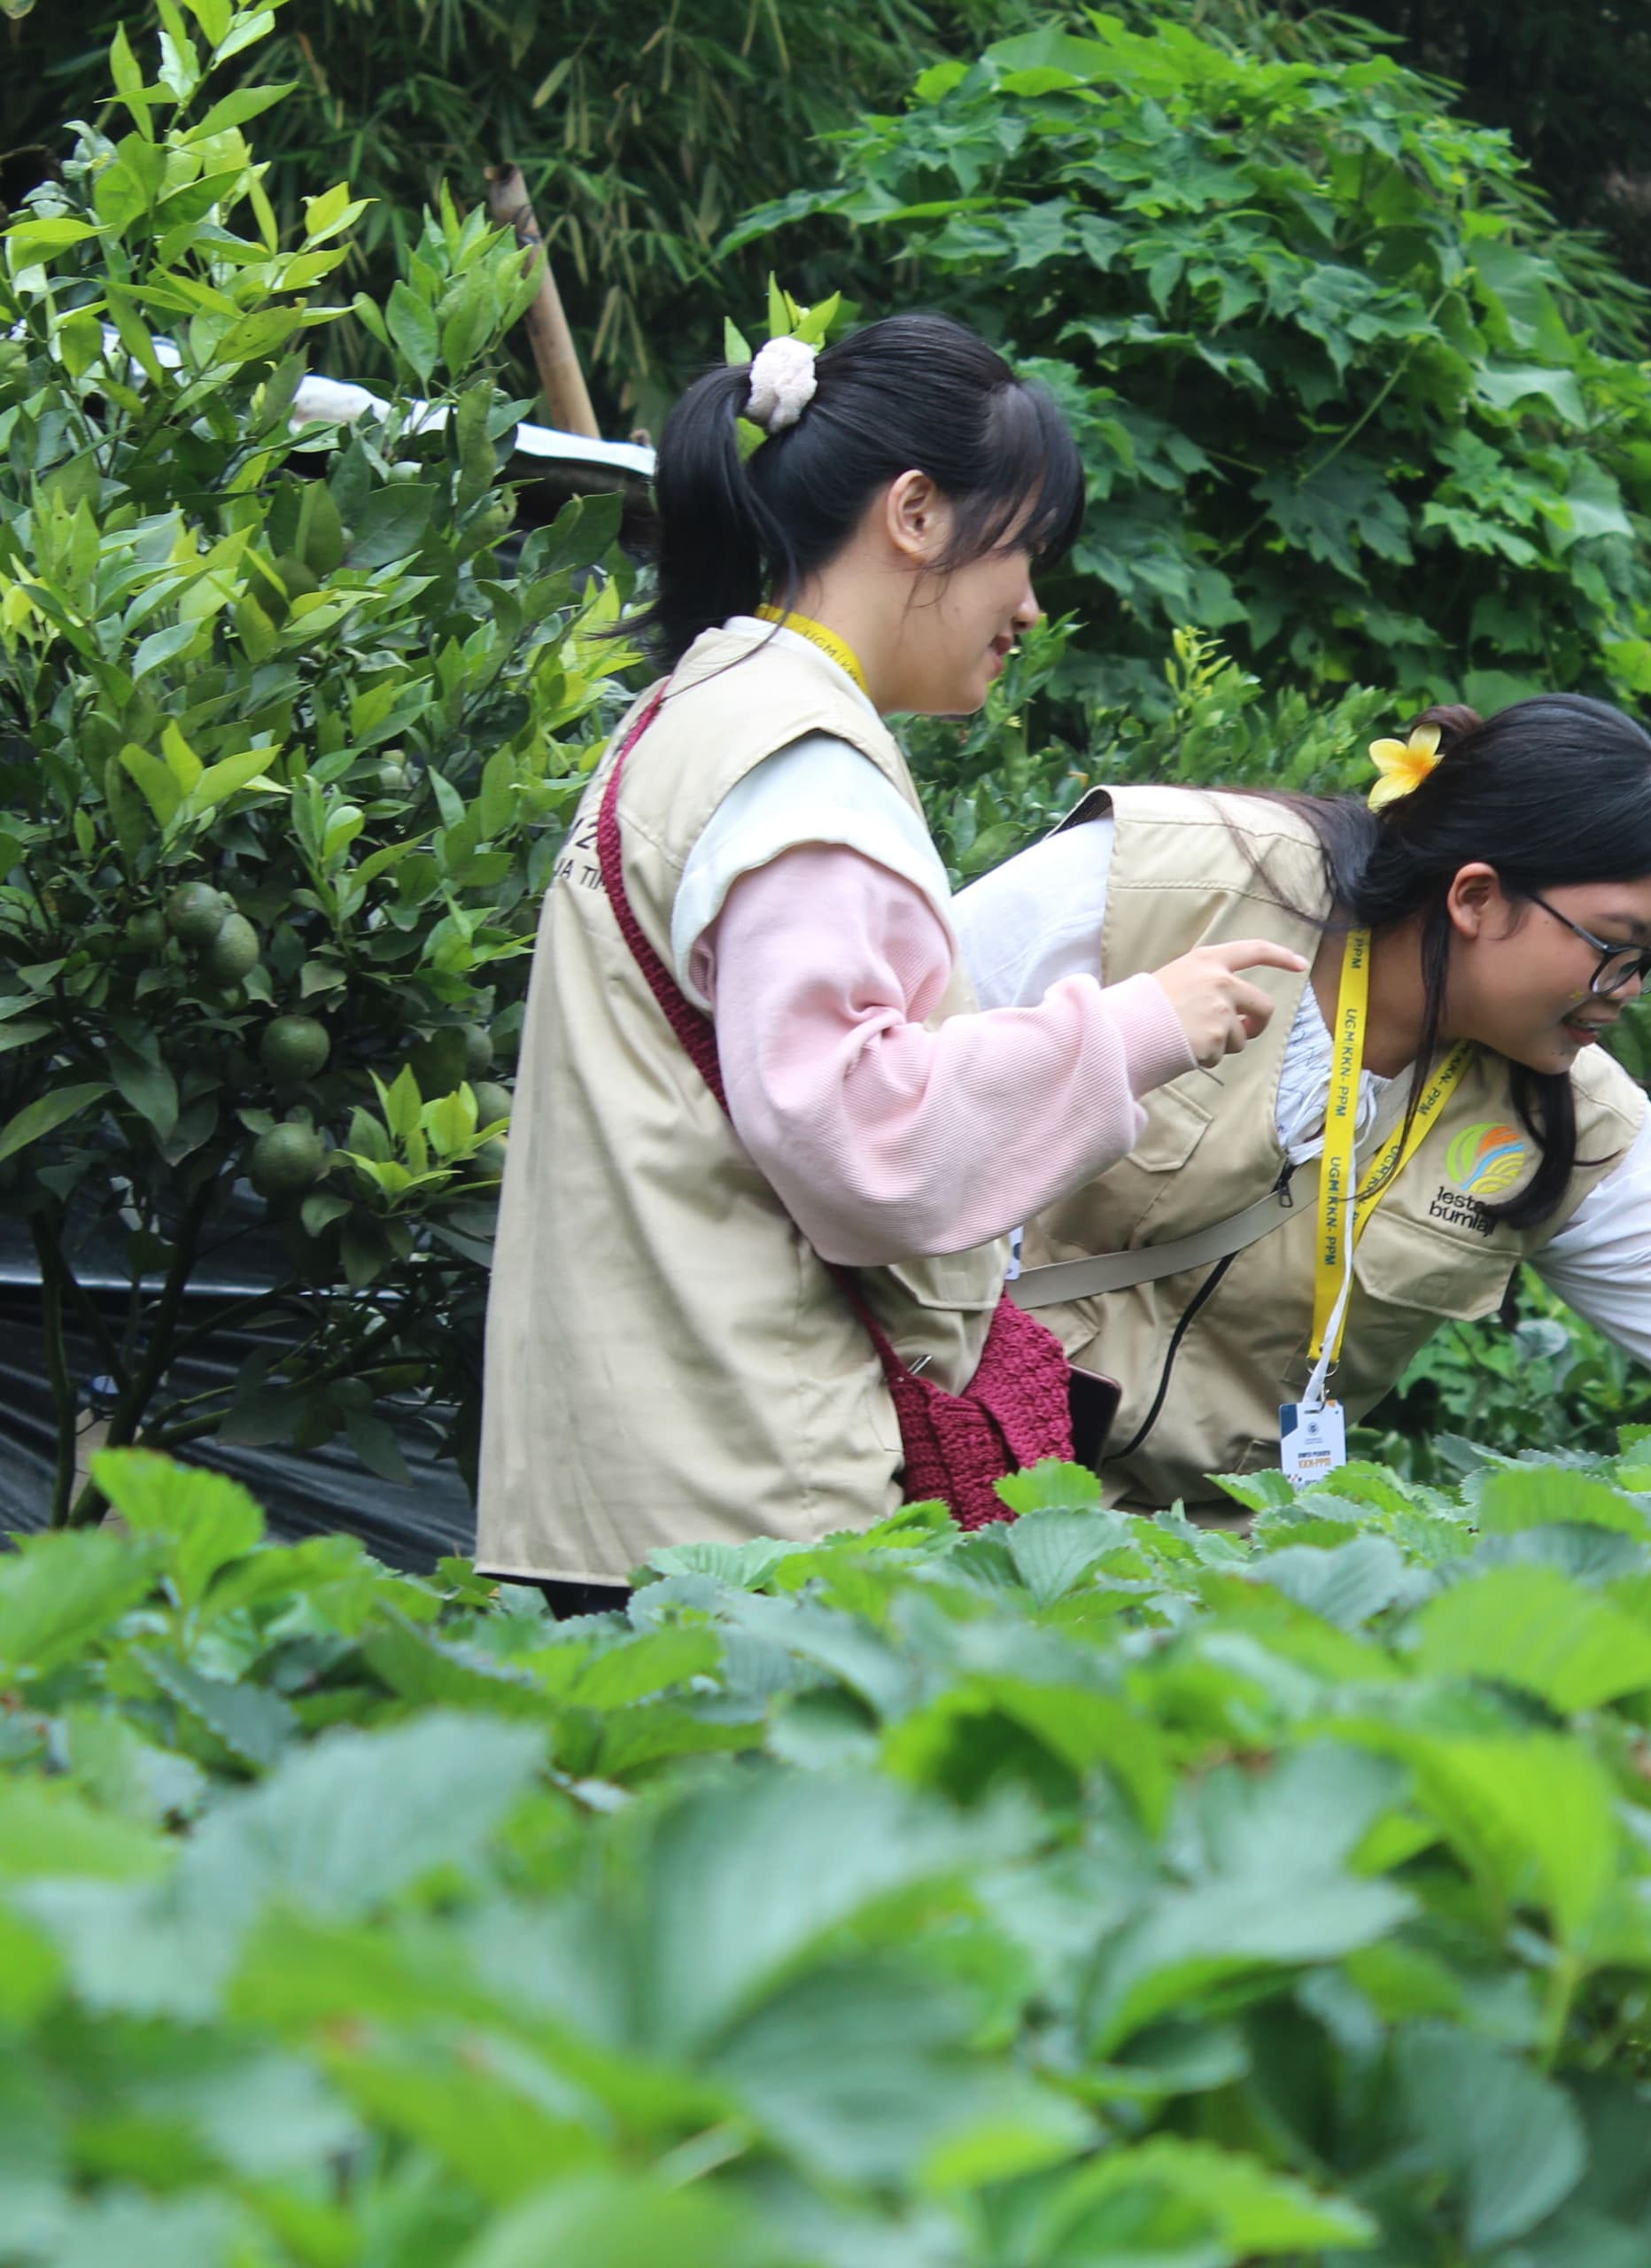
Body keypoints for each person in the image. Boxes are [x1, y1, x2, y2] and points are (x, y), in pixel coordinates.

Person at [478, 315, 1302, 1603]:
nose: (1031, 602)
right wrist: (1137, 1028)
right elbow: (855, 1130)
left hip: (624, 1481)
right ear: (915, 514)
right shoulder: (803, 767)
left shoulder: (693, 709)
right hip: (753, 1511)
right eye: (1023, 546)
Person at [951, 694, 1651, 1515]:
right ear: (1475, 896)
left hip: (1198, 1567)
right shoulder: (1162, 883)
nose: (1630, 992)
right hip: (934, 1490)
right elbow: (863, 1086)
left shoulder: (1566, 1116)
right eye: (1613, 946)